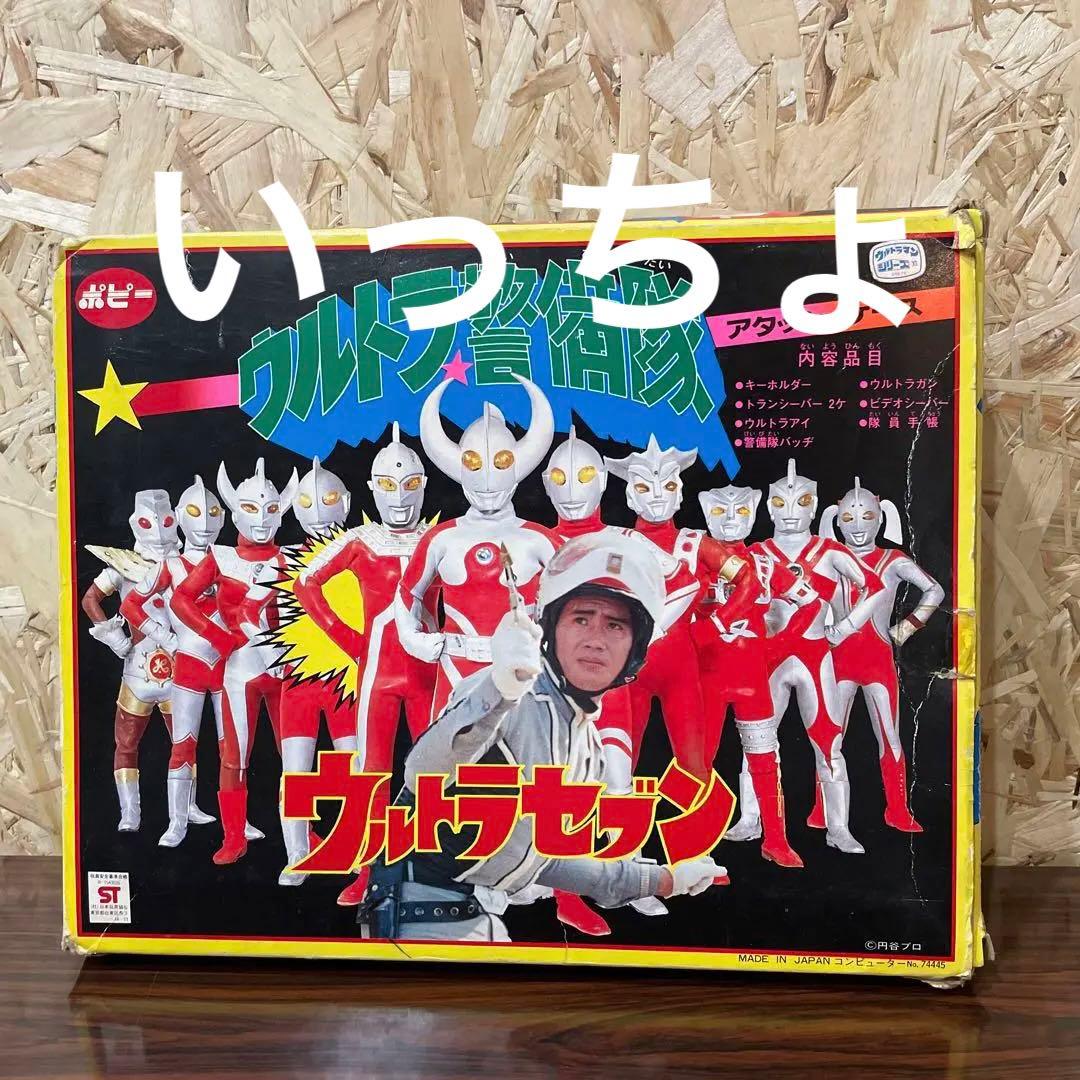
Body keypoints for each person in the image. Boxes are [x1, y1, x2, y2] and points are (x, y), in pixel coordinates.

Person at [360, 532, 726, 942]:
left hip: (473, 912)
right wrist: (498, 690)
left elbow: (540, 859)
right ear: (550, 627)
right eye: (581, 619)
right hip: (420, 911)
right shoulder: (509, 693)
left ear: (635, 649)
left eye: (615, 626)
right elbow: (423, 772)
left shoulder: (588, 748)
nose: (595, 640)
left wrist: (665, 880)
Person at [818, 478, 943, 832]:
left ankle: (898, 810)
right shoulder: (827, 558)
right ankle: (822, 810)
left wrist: (904, 630)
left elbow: (935, 590)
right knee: (828, 738)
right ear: (835, 520)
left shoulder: (892, 560)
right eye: (849, 518)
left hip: (877, 661)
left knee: (889, 736)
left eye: (867, 516)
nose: (858, 526)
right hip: (837, 660)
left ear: (882, 517)